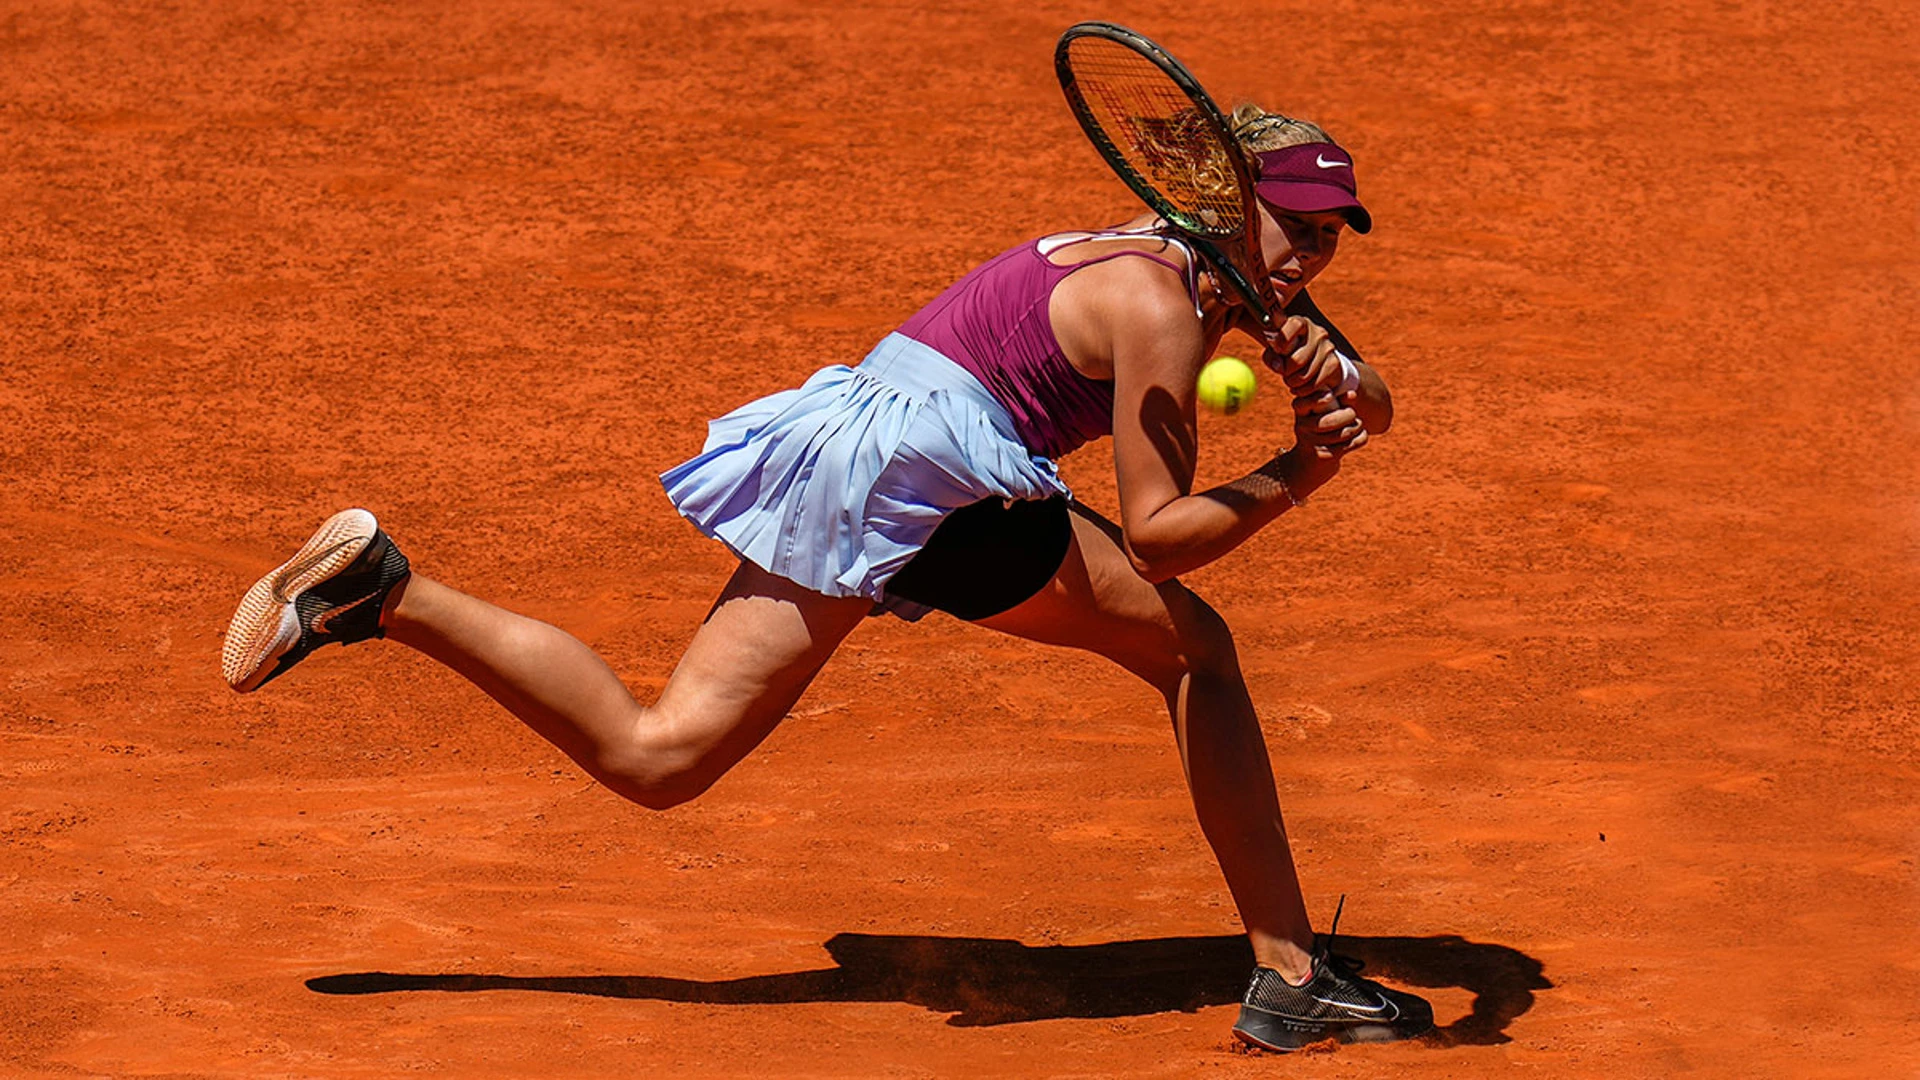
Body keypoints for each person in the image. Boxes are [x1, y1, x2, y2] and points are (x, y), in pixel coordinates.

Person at [220, 106, 1432, 1052]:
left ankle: (383, 590)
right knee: (1193, 648)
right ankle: (1287, 976)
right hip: (935, 485)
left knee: (662, 757)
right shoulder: (1164, 308)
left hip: (858, 454)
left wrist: (1327, 365)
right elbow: (1159, 535)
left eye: (1332, 233)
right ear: (1226, 203)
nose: (1314, 250)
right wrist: (1299, 473)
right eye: (1297, 227)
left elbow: (1374, 404)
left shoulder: (1169, 263)